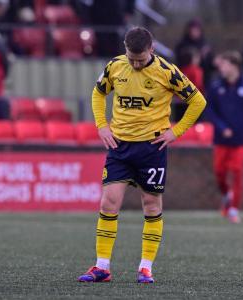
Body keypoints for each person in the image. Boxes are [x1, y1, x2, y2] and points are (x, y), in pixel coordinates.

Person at [78, 27, 206, 283]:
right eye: (131, 58)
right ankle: (102, 267)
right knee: (108, 203)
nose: (135, 64)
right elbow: (98, 92)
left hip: (151, 148)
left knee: (151, 205)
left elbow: (198, 101)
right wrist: (102, 125)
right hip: (119, 146)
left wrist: (175, 132)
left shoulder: (167, 72)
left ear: (152, 49)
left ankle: (145, 267)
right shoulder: (115, 65)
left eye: (141, 59)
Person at [205, 51, 243, 224]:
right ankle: (227, 194)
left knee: (237, 171)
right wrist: (222, 128)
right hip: (221, 140)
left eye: (225, 64)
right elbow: (210, 111)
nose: (221, 68)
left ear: (235, 66)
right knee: (219, 172)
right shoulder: (215, 87)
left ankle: (234, 209)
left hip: (241, 139)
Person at [174, 19, 214, 85]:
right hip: (187, 76)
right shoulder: (182, 44)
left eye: (197, 30)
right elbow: (179, 60)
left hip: (205, 78)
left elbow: (211, 63)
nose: (195, 32)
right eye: (193, 30)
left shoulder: (205, 44)